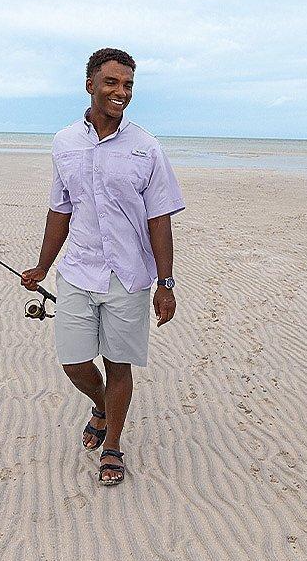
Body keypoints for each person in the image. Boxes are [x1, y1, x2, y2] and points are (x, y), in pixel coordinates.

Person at [21, 48, 185, 486]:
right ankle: (102, 406)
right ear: (90, 84)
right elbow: (61, 209)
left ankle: (112, 441)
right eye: (112, 82)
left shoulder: (146, 147)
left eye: (128, 84)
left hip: (129, 276)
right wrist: (42, 265)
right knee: (74, 362)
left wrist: (165, 283)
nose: (121, 92)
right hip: (77, 269)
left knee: (118, 363)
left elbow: (160, 219)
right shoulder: (64, 142)